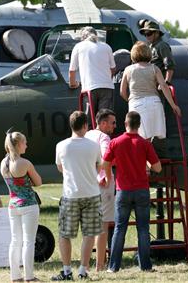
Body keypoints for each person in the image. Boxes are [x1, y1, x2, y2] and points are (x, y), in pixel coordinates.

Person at [103, 111, 161, 272]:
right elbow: (158, 167)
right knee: (143, 228)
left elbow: (105, 163)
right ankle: (145, 266)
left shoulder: (115, 142)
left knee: (119, 228)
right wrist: (147, 165)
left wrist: (109, 179)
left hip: (123, 191)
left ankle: (113, 266)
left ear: (125, 123)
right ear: (139, 124)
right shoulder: (145, 143)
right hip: (142, 189)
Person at [52, 111, 105, 281]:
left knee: (65, 234)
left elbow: (60, 168)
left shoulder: (61, 146)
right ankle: (83, 269)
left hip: (70, 194)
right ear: (85, 126)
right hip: (92, 193)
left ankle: (67, 271)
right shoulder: (94, 146)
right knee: (89, 233)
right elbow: (98, 167)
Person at [120, 41, 181, 144]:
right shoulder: (154, 68)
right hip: (154, 102)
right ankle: (148, 159)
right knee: (150, 139)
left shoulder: (128, 69)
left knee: (137, 138)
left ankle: (141, 159)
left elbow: (122, 92)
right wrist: (173, 105)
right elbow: (164, 86)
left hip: (136, 103)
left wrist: (130, 100)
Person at [0, 131, 42, 282]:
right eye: (24, 142)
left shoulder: (3, 163)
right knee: (29, 241)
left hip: (13, 205)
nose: (26, 145)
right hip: (29, 205)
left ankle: (15, 276)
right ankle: (29, 276)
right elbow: (38, 182)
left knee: (15, 240)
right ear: (18, 145)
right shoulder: (25, 163)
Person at [84, 109, 117, 271]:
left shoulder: (87, 135)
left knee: (90, 227)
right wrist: (108, 176)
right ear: (102, 123)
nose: (114, 126)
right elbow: (106, 158)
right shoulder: (104, 137)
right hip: (102, 185)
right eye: (112, 122)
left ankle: (86, 264)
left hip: (87, 184)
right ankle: (100, 265)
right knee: (103, 227)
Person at [69, 26, 116, 119]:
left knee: (89, 120)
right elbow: (113, 69)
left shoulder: (78, 47)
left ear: (82, 37)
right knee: (105, 119)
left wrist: (73, 84)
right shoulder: (106, 47)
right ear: (96, 35)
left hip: (89, 88)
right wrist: (106, 79)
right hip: (107, 87)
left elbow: (72, 70)